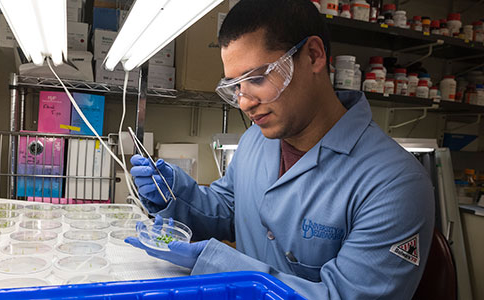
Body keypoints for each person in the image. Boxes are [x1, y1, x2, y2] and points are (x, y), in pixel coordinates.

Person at [125, 0, 435, 299]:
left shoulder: (395, 185)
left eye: (257, 78)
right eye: (236, 87)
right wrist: (176, 195)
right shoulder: (255, 140)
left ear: (313, 56)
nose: (245, 103)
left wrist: (223, 266)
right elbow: (231, 209)